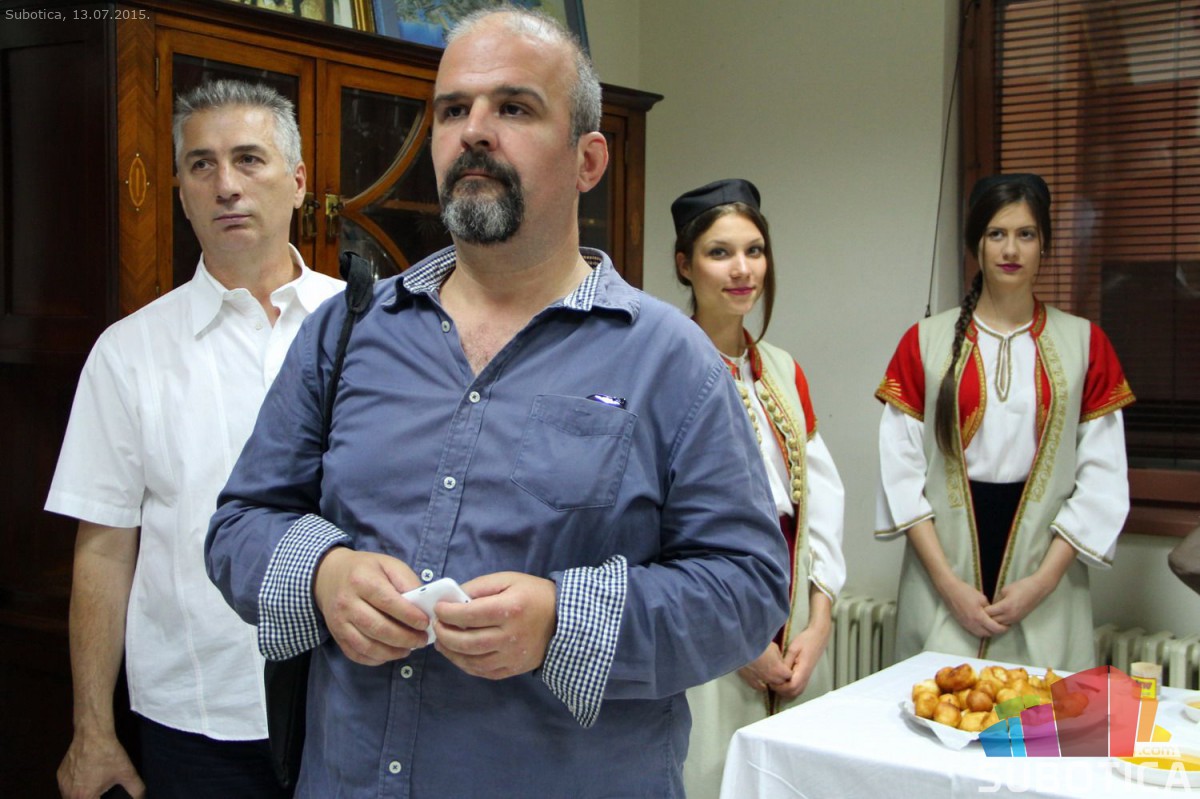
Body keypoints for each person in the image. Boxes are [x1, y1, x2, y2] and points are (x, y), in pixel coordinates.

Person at [204, 8, 791, 798]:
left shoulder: (670, 360)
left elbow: (748, 589)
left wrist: (563, 622)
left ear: (588, 160)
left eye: (514, 107)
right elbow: (239, 525)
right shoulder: (347, 332)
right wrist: (323, 575)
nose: (474, 131)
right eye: (453, 110)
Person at [45, 80, 344, 799]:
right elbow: (104, 547)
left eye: (249, 159)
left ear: (298, 181)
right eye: (201, 165)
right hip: (198, 718)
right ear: (180, 192)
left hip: (353, 700)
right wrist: (92, 728)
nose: (226, 185)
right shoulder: (129, 352)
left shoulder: (370, 327)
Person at [874, 173, 1134, 672]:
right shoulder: (924, 342)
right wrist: (948, 584)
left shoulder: (1085, 344)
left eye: (1026, 234)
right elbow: (901, 474)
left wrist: (1042, 583)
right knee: (940, 703)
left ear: (1044, 246)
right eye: (996, 233)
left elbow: (1102, 477)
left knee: (1038, 711)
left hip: (1045, 570)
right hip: (943, 567)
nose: (1010, 249)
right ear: (976, 243)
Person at [669, 179, 846, 799]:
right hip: (707, 622)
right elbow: (652, 524)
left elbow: (820, 502)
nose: (742, 269)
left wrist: (819, 624)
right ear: (684, 265)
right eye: (719, 253)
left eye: (754, 250)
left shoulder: (784, 369)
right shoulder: (663, 366)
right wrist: (735, 642)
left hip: (794, 620)